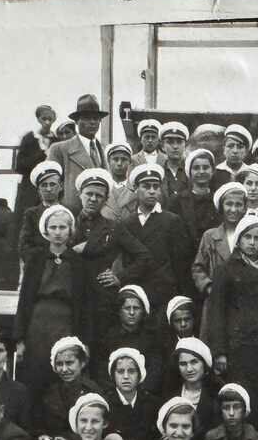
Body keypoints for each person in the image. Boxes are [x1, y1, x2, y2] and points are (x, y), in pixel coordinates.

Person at [208, 215, 258, 422]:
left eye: (257, 238)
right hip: (238, 346)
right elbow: (216, 311)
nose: (252, 242)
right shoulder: (226, 270)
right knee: (242, 395)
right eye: (247, 237)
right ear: (239, 239)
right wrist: (219, 352)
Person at [12, 205, 90, 398]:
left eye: (62, 228)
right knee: (35, 371)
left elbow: (85, 305)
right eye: (53, 227)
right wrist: (20, 339)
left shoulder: (78, 263)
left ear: (70, 231)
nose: (57, 232)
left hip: (65, 323)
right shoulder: (36, 260)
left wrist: (84, 340)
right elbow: (24, 301)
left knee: (62, 370)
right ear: (46, 231)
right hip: (37, 324)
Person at [71, 168, 154, 343]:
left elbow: (144, 256)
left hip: (101, 300)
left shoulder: (113, 227)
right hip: (71, 297)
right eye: (89, 194)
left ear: (106, 200)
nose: (93, 199)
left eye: (99, 196)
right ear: (80, 194)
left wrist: (119, 277)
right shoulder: (66, 223)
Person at [119, 163, 193, 310]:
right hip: (137, 294)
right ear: (136, 189)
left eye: (156, 186)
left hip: (164, 293)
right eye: (146, 186)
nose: (152, 191)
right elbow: (126, 261)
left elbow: (180, 263)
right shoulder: (127, 223)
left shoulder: (172, 221)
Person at [194, 182, 250, 326]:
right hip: (217, 301)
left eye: (238, 205)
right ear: (221, 207)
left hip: (245, 302)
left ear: (245, 208)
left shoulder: (251, 234)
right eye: (229, 204)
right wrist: (209, 287)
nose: (233, 209)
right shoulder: (210, 236)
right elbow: (198, 268)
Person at [47, 94, 109, 213]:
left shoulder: (102, 149)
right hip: (71, 216)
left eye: (96, 118)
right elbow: (51, 188)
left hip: (99, 216)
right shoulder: (59, 149)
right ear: (76, 121)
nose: (92, 122)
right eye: (86, 118)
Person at [95, 284, 163, 391]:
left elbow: (155, 370)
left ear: (143, 311)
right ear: (119, 311)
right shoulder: (108, 337)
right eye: (127, 308)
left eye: (136, 308)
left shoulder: (151, 338)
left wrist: (140, 392)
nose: (132, 313)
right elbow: (101, 371)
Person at [40, 336, 106, 440]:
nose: (64, 369)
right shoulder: (50, 393)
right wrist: (43, 436)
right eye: (60, 364)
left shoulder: (93, 391)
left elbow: (99, 430)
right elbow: (43, 425)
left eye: (69, 363)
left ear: (82, 363)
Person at [103, 347, 162, 440]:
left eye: (131, 371)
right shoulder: (105, 403)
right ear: (113, 375)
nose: (126, 376)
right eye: (120, 371)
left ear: (139, 375)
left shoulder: (152, 403)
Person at [163, 337, 220, 436]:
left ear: (204, 364)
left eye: (194, 362)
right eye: (183, 364)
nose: (189, 369)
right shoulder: (170, 394)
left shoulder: (216, 394)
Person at [169, 148, 219, 249]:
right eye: (196, 168)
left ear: (212, 170)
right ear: (189, 171)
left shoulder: (218, 200)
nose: (201, 171)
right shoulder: (177, 200)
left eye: (205, 167)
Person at [12, 104, 57, 215]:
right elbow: (19, 166)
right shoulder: (29, 138)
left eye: (50, 119)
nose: (47, 122)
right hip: (29, 190)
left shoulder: (56, 141)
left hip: (50, 190)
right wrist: (41, 154)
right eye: (44, 119)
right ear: (38, 119)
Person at [15, 160, 64, 261]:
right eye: (44, 185)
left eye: (52, 184)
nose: (49, 189)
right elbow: (24, 247)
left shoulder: (68, 211)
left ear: (61, 186)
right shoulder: (32, 214)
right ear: (38, 190)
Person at [102, 141, 137, 222]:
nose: (119, 163)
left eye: (124, 159)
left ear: (130, 162)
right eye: (115, 159)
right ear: (108, 161)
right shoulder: (102, 188)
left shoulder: (135, 189)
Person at [158, 121, 191, 203]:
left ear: (185, 145)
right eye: (170, 142)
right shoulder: (158, 171)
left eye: (179, 142)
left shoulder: (192, 170)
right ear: (162, 146)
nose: (175, 146)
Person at [212, 123, 252, 188]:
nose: (235, 151)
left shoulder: (251, 173)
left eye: (240, 147)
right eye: (230, 146)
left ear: (246, 151)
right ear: (224, 148)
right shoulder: (215, 172)